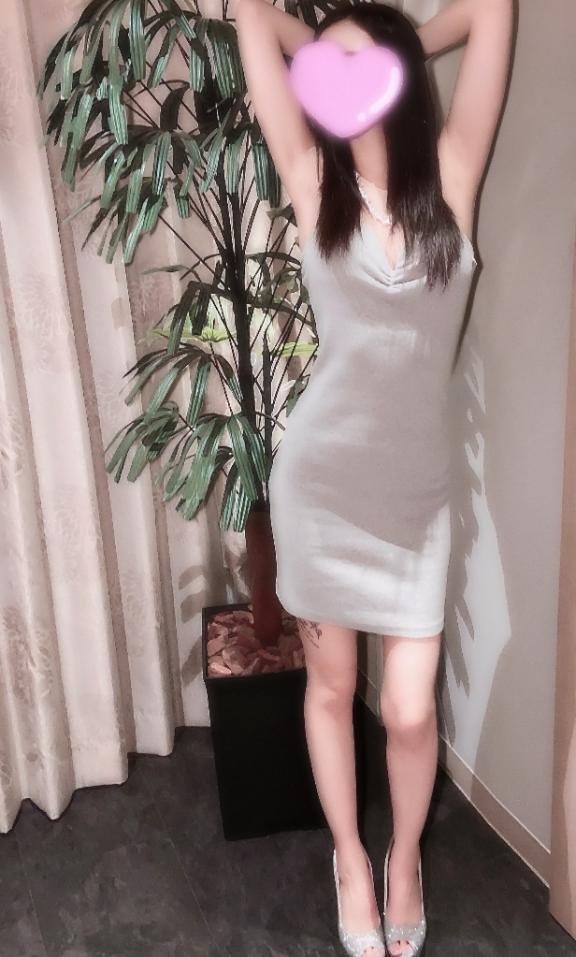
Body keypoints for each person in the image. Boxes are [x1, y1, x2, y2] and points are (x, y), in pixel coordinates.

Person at [235, 1, 513, 955]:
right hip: (322, 489)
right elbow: (249, 14)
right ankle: (353, 858)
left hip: (417, 504)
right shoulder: (314, 182)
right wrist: (333, 49)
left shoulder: (456, 176)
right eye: (327, 70)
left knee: (406, 709)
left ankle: (406, 857)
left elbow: (494, 8)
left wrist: (406, 42)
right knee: (330, 688)